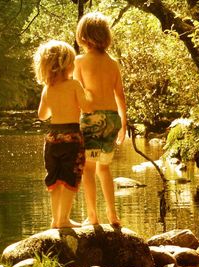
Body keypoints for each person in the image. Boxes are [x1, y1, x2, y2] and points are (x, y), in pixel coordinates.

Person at [73, 12, 127, 226]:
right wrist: (123, 123)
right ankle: (112, 214)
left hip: (92, 120)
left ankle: (92, 215)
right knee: (104, 168)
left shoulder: (80, 61)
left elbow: (79, 93)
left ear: (83, 37)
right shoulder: (113, 63)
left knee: (88, 168)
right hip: (112, 118)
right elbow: (120, 95)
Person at [34, 40, 86, 229]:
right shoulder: (74, 85)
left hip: (52, 138)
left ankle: (55, 219)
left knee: (54, 178)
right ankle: (64, 218)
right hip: (71, 136)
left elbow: (42, 115)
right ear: (67, 65)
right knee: (71, 176)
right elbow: (86, 107)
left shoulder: (48, 88)